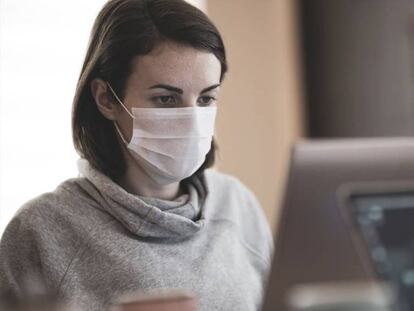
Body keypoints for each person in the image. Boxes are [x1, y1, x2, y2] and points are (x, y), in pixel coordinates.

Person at [0, 0, 273, 310]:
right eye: (166, 99)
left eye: (206, 98)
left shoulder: (239, 206)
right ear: (106, 99)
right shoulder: (41, 231)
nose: (191, 119)